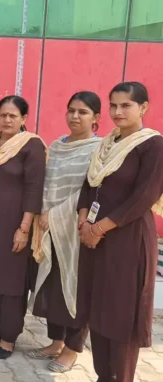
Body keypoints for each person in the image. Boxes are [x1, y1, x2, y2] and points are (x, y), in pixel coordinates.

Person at [77, 82, 163, 382]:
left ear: (144, 107)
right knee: (98, 309)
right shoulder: (107, 143)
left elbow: (144, 197)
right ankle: (103, 376)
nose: (117, 111)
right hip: (96, 240)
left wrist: (99, 227)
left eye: (125, 105)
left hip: (129, 240)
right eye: (113, 105)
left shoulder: (152, 145)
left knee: (122, 315)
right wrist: (84, 220)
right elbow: (90, 184)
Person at [27, 91, 101, 371]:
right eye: (71, 110)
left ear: (96, 118)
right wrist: (43, 216)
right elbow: (48, 184)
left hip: (76, 230)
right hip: (48, 229)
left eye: (83, 112)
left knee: (76, 288)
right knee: (52, 287)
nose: (75, 116)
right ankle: (56, 341)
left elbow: (90, 189)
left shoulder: (98, 149)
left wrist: (54, 215)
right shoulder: (57, 146)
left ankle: (72, 348)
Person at [0, 95, 46, 359]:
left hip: (14, 223)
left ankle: (9, 337)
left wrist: (24, 228)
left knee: (10, 279)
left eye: (13, 116)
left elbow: (35, 189)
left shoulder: (31, 146)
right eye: (3, 114)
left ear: (24, 119)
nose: (7, 120)